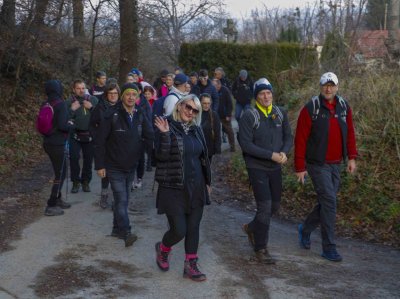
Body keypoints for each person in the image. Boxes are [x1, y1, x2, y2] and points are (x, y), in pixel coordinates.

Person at [295, 72, 357, 262]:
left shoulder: (344, 107)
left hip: (336, 164)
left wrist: (352, 157)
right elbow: (301, 139)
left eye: (332, 85)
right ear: (320, 87)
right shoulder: (311, 108)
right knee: (330, 202)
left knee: (326, 203)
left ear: (337, 87)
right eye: (325, 85)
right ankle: (329, 247)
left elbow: (350, 134)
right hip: (317, 164)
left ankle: (305, 229)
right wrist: (299, 166)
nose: (328, 88)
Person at [153, 94, 211, 282]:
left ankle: (190, 265)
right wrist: (164, 135)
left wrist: (208, 183)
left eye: (195, 110)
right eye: (188, 107)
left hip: (196, 186)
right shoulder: (166, 125)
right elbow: (160, 157)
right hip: (173, 186)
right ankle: (163, 249)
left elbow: (204, 159)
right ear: (179, 106)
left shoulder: (196, 130)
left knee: (193, 227)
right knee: (179, 230)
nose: (191, 112)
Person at [238, 78, 293, 264]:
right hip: (257, 167)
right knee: (265, 206)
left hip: (275, 166)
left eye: (268, 92)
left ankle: (253, 228)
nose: (266, 96)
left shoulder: (280, 113)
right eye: (262, 93)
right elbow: (245, 145)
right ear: (256, 97)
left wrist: (284, 152)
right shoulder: (249, 115)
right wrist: (270, 155)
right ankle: (261, 249)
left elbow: (288, 137)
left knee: (275, 206)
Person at [94, 83, 154, 247]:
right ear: (122, 97)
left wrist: (159, 153)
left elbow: (150, 137)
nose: (131, 98)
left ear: (137, 97)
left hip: (131, 166)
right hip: (113, 166)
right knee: (121, 199)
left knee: (124, 199)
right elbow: (100, 142)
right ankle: (126, 232)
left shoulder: (140, 114)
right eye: (128, 94)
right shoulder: (111, 115)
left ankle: (115, 229)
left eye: (134, 95)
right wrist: (99, 165)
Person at [42, 80, 74, 216]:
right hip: (57, 144)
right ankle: (51, 204)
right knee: (60, 173)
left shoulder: (46, 103)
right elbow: (62, 125)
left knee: (59, 172)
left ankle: (58, 198)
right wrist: (71, 125)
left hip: (48, 142)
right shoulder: (60, 104)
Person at [89, 82, 120, 209]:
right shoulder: (100, 107)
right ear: (106, 94)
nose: (113, 96)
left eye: (115, 93)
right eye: (110, 93)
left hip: (118, 145)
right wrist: (97, 135)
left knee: (117, 172)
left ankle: (116, 199)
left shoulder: (122, 107)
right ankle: (104, 195)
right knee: (105, 171)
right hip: (104, 144)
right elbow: (92, 124)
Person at [65, 79, 98, 193]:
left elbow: (100, 117)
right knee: (74, 158)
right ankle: (75, 182)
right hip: (74, 135)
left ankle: (85, 182)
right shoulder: (69, 101)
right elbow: (63, 119)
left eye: (83, 88)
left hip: (89, 135)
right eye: (78, 88)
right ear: (74, 89)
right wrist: (71, 109)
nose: (81, 90)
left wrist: (92, 108)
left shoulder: (93, 100)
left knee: (88, 160)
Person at [212, 78, 235, 152]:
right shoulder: (212, 91)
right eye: (212, 85)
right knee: (215, 132)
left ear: (219, 85)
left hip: (225, 115)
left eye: (214, 85)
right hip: (215, 115)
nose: (213, 87)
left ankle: (232, 146)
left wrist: (228, 114)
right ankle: (216, 148)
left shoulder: (225, 90)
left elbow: (230, 103)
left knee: (229, 130)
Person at [200, 93, 221, 163]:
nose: (206, 105)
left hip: (209, 148)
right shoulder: (195, 114)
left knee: (207, 170)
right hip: (198, 148)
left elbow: (217, 132)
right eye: (204, 103)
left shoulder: (214, 115)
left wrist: (217, 148)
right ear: (200, 103)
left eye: (208, 103)